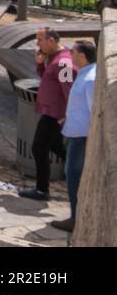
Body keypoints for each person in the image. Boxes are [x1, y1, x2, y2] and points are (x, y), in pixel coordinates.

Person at [19, 28, 73, 201]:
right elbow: (47, 79)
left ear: (51, 41)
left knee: (39, 147)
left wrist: (67, 114)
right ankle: (81, 166)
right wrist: (40, 63)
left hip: (55, 113)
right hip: (51, 110)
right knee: (56, 147)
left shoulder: (63, 62)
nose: (37, 44)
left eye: (40, 40)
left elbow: (69, 89)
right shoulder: (54, 59)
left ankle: (42, 190)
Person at [50, 39, 97, 232]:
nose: (70, 55)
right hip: (73, 131)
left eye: (74, 53)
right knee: (71, 174)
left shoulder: (90, 78)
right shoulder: (84, 74)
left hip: (81, 137)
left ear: (82, 56)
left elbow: (94, 110)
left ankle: (76, 218)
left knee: (73, 175)